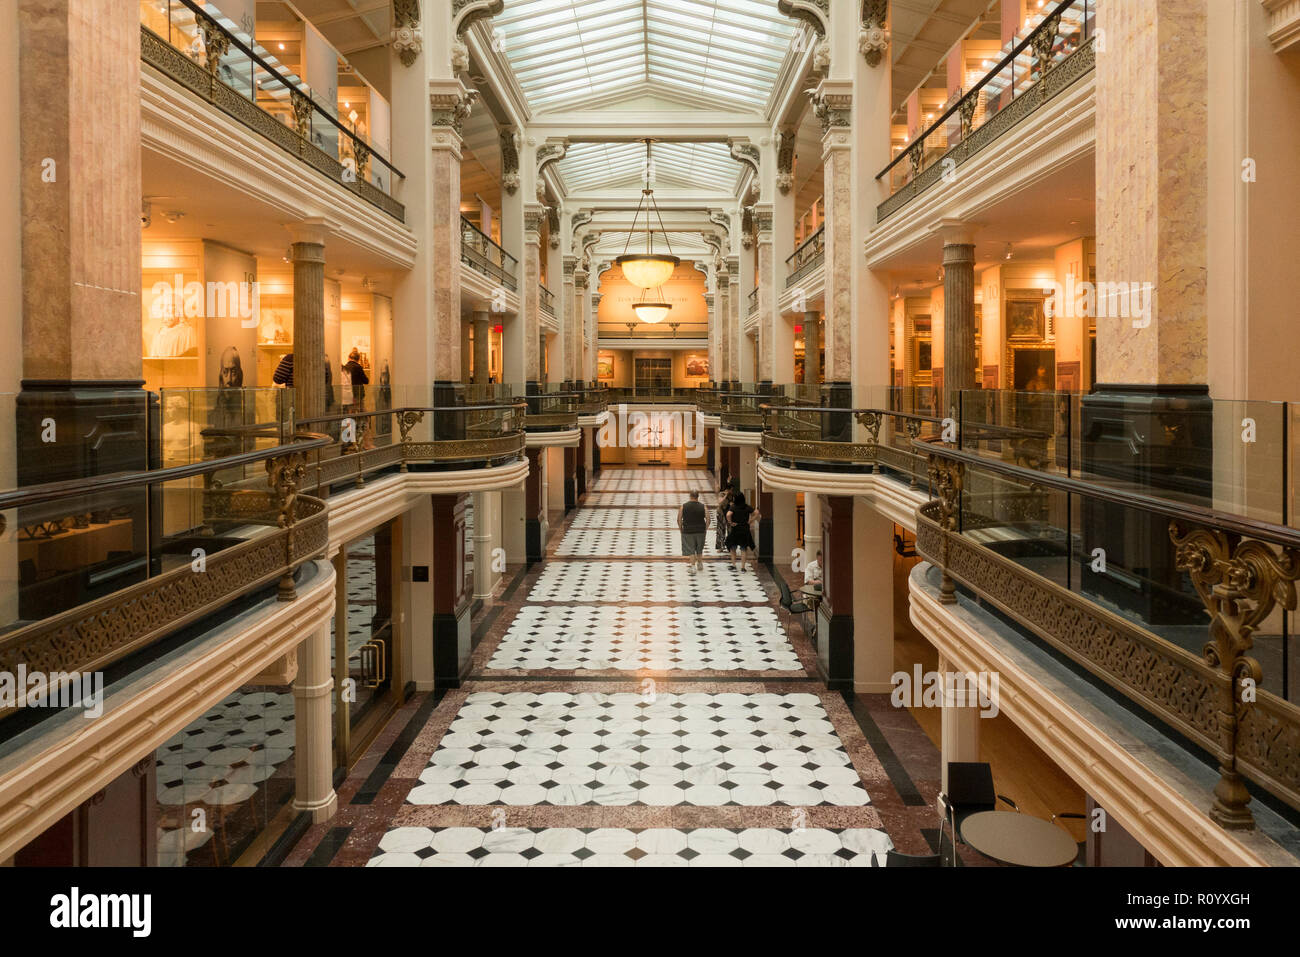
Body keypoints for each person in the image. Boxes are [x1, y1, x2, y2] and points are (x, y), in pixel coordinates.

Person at [725, 492, 760, 572]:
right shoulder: (747, 507)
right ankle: (743, 567)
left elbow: (728, 515)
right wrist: (751, 520)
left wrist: (730, 522)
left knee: (733, 547)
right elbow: (757, 513)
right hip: (744, 529)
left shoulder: (733, 507)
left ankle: (734, 565)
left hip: (736, 529)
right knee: (743, 548)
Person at [677, 490, 710, 573]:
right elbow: (708, 519)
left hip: (688, 531)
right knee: (699, 548)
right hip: (700, 531)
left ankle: (692, 567)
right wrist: (705, 529)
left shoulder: (683, 506)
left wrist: (681, 529)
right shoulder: (703, 506)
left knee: (691, 549)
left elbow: (679, 519)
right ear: (698, 496)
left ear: (690, 496)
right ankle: (700, 564)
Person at [714, 481, 733, 557]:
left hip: (729, 514)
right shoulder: (721, 494)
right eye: (731, 490)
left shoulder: (732, 496)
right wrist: (726, 495)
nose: (732, 491)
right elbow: (720, 502)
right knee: (720, 530)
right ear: (728, 489)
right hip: (721, 514)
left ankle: (729, 546)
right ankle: (720, 547)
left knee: (730, 530)